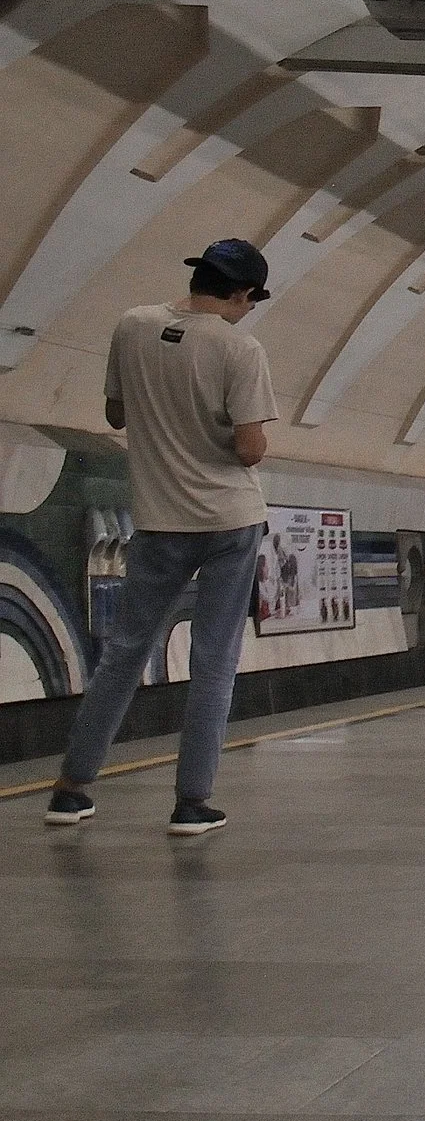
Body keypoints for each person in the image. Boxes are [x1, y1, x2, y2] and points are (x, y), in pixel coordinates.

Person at [46, 240, 279, 835]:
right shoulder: (240, 348)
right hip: (229, 520)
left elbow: (117, 415)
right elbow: (250, 448)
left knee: (125, 651)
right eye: (252, 301)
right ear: (241, 294)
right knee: (214, 660)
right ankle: (191, 801)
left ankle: (72, 789)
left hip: (157, 518)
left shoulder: (133, 325)